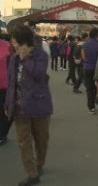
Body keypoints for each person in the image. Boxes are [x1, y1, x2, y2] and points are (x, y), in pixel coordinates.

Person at [5, 25, 53, 186]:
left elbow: (39, 75)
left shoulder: (41, 56)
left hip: (39, 104)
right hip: (20, 107)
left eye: (14, 39)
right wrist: (8, 104)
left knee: (41, 139)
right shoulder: (13, 58)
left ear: (22, 41)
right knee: (23, 141)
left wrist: (26, 59)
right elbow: (11, 83)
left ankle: (39, 164)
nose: (12, 42)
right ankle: (32, 174)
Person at [82, 28, 98, 114]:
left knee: (89, 89)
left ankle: (91, 107)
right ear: (97, 35)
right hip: (97, 69)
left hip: (87, 68)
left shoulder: (85, 44)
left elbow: (83, 56)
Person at [0, 29, 12, 145]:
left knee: (4, 111)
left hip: (4, 84)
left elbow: (11, 65)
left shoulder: (6, 46)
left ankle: (2, 133)